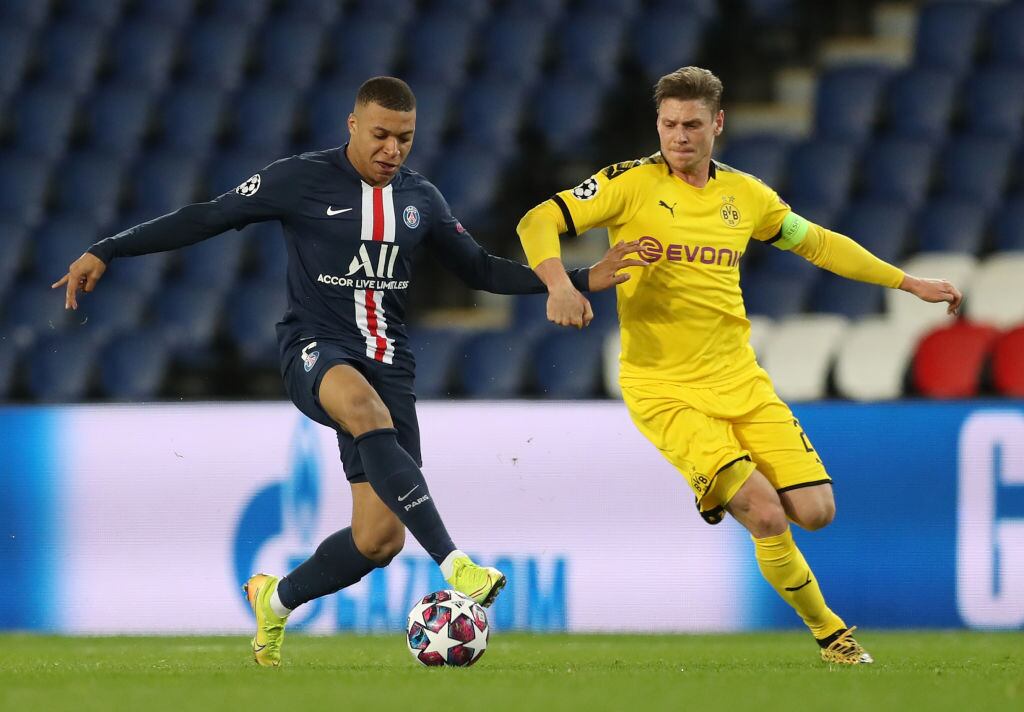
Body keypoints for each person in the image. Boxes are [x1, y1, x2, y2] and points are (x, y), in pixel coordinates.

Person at [53, 76, 642, 667]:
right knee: (363, 410)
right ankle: (455, 562)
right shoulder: (300, 179)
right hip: (314, 348)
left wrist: (582, 277)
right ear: (352, 126)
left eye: (405, 139)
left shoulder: (422, 200)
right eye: (381, 135)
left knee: (378, 541)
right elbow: (208, 216)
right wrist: (109, 247)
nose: (392, 150)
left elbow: (481, 270)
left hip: (390, 365)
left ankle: (275, 601)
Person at [516, 66, 963, 665]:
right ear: (657, 122)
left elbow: (820, 243)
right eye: (669, 124)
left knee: (817, 511)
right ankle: (832, 635)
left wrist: (908, 282)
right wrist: (559, 285)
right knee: (765, 509)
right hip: (663, 388)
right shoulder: (627, 184)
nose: (679, 136)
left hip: (740, 381)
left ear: (717, 124)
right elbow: (537, 220)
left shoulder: (746, 196)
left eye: (692, 125)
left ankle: (728, 486)